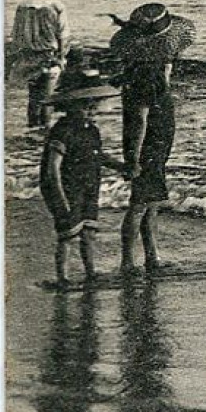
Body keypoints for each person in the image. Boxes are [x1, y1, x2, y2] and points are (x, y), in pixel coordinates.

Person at [109, 3, 196, 276]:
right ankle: (129, 260)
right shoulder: (149, 75)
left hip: (154, 144)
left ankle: (150, 255)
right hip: (150, 145)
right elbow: (139, 121)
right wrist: (133, 159)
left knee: (149, 202)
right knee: (141, 204)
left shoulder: (140, 70)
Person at [40, 63, 127, 285]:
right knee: (67, 236)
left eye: (93, 106)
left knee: (88, 232)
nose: (91, 110)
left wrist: (122, 167)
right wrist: (59, 198)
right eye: (85, 106)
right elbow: (52, 168)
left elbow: (99, 157)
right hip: (68, 189)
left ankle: (91, 271)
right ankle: (63, 276)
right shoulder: (63, 130)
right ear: (69, 106)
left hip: (89, 186)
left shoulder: (92, 130)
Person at [9, 0, 71, 129]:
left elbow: (17, 36)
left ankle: (32, 128)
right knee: (47, 98)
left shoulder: (22, 6)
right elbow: (63, 36)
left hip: (28, 58)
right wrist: (62, 57)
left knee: (33, 98)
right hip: (49, 57)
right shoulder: (56, 5)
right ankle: (43, 132)